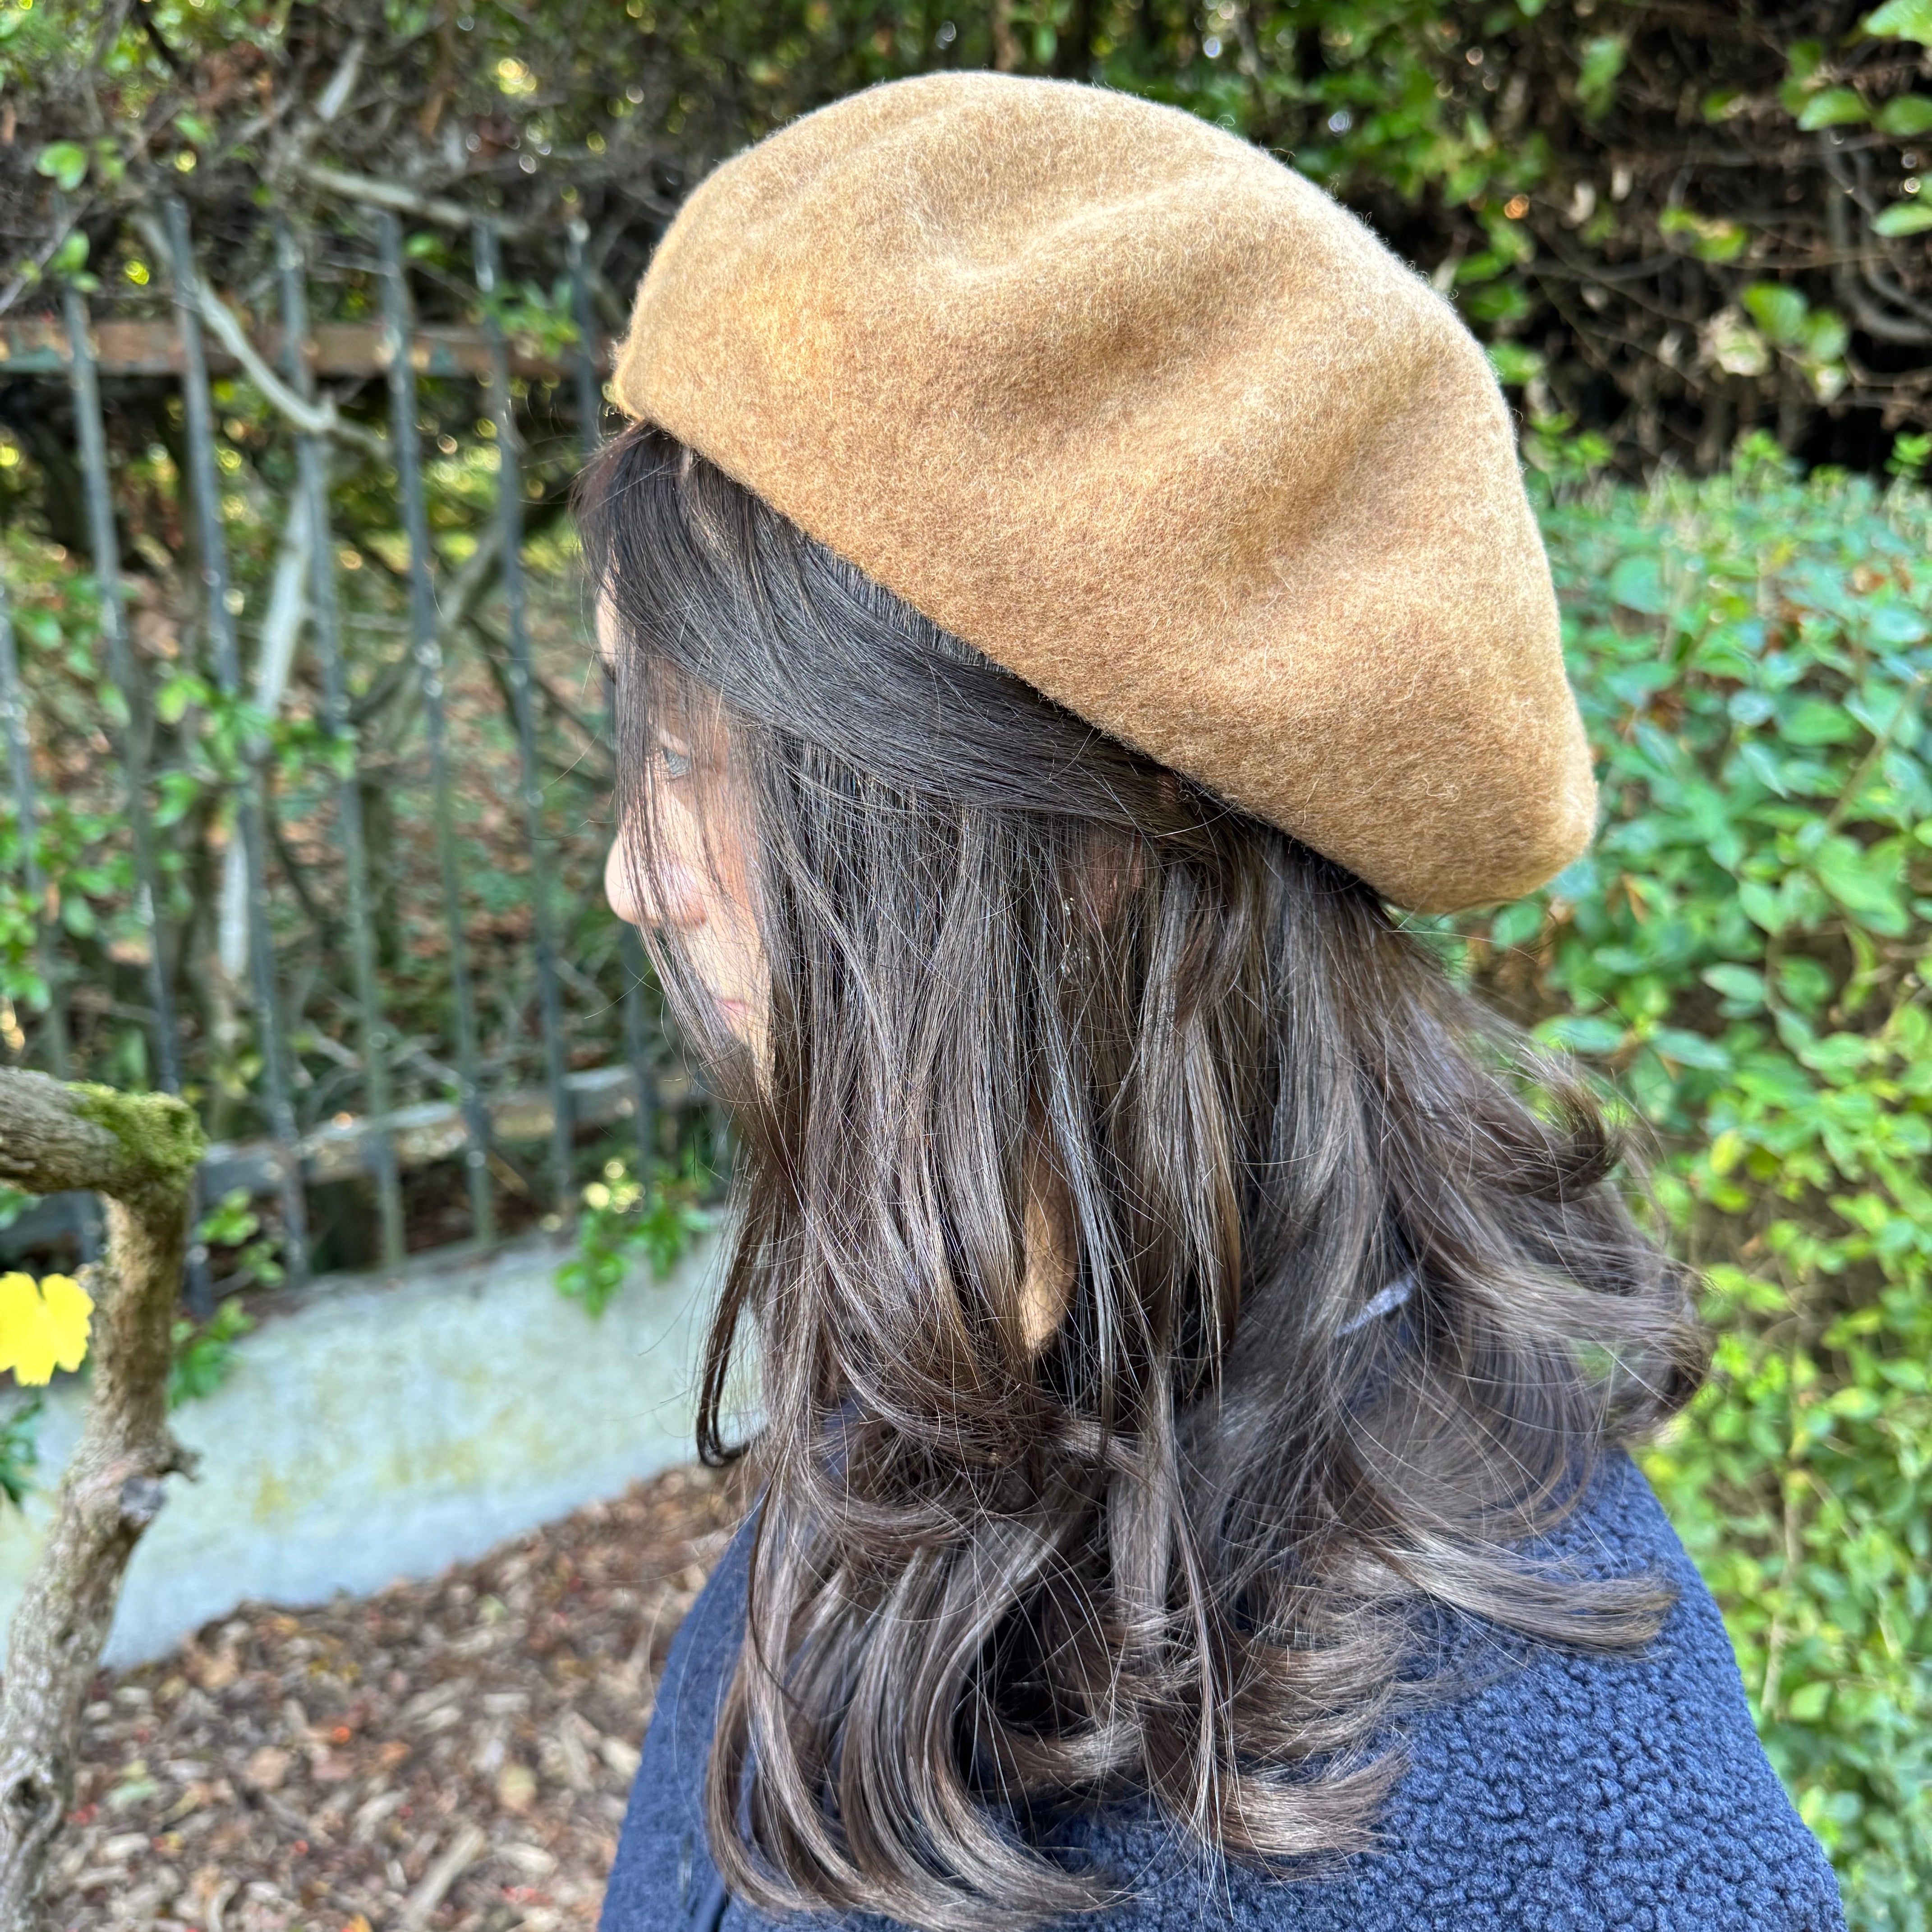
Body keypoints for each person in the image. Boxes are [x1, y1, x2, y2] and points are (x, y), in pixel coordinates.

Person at [582, 72, 1843, 1932]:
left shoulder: (1556, 1823)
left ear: (1081, 848)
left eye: (694, 758)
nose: (631, 873)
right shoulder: (963, 1389)